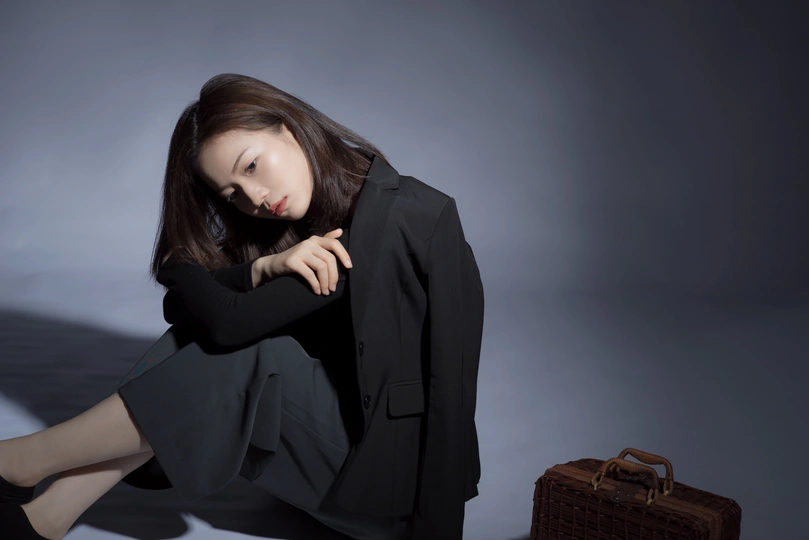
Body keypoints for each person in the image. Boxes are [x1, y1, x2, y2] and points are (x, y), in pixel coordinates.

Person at [0, 72, 485, 540]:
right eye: (232, 193)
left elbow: (453, 394)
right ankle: (48, 516)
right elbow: (187, 308)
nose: (254, 197)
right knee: (194, 338)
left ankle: (22, 461)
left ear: (288, 127)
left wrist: (435, 530)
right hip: (332, 464)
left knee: (253, 352)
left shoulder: (414, 218)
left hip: (395, 499)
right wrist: (260, 269)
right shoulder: (292, 227)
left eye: (251, 166)